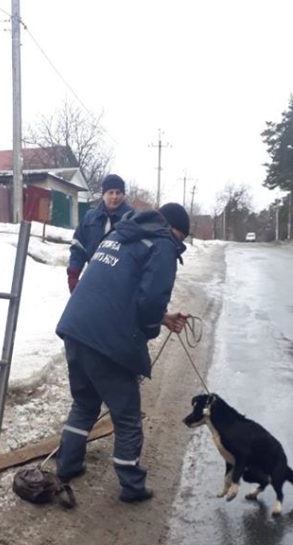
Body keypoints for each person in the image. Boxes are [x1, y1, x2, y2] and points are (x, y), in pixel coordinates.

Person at [55, 202, 191, 502]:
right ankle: (132, 485)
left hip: (75, 327)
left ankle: (67, 465)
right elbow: (151, 299)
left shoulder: (121, 232)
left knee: (84, 403)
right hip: (107, 338)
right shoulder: (163, 243)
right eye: (181, 239)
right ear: (173, 230)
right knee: (127, 414)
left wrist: (163, 319)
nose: (178, 245)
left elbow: (119, 288)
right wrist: (151, 326)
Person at [67, 173, 133, 292]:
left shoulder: (132, 219)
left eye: (118, 192)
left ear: (123, 195)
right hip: (93, 278)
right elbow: (78, 247)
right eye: (110, 192)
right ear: (103, 195)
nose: (114, 197)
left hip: (120, 284)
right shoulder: (90, 217)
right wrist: (73, 275)